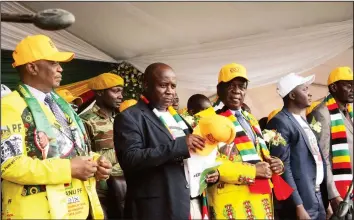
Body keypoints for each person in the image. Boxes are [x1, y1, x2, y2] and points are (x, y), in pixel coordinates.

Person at [1, 34, 112, 219]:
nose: (60, 68)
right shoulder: (9, 106)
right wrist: (68, 169)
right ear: (32, 67)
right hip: (36, 213)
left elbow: (71, 149)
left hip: (77, 209)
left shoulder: (62, 105)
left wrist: (95, 162)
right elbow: (9, 164)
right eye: (53, 63)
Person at [114, 62, 206, 220]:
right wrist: (179, 146)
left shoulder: (177, 118)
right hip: (156, 208)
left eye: (173, 86)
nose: (170, 91)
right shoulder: (130, 117)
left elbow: (190, 153)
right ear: (146, 84)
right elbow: (130, 158)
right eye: (163, 85)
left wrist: (209, 173)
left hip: (188, 202)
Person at [206, 63, 284, 219]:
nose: (237, 91)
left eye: (241, 86)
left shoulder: (250, 118)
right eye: (231, 86)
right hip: (231, 204)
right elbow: (210, 164)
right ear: (219, 88)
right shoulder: (207, 119)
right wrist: (254, 171)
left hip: (261, 201)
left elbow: (262, 156)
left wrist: (276, 164)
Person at [267, 73, 328, 220]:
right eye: (305, 89)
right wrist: (298, 206)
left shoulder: (303, 120)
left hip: (317, 196)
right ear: (293, 95)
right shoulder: (279, 122)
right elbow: (283, 168)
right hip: (302, 201)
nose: (310, 93)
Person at [306, 67, 353, 216]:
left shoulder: (350, 111)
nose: (353, 89)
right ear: (333, 87)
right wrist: (333, 194)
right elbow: (321, 157)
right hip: (339, 192)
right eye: (348, 85)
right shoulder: (322, 113)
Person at [80, 72, 126, 219]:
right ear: (100, 92)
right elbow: (83, 156)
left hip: (126, 186)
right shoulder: (85, 121)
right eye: (115, 91)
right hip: (102, 191)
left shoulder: (122, 119)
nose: (120, 96)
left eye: (121, 91)